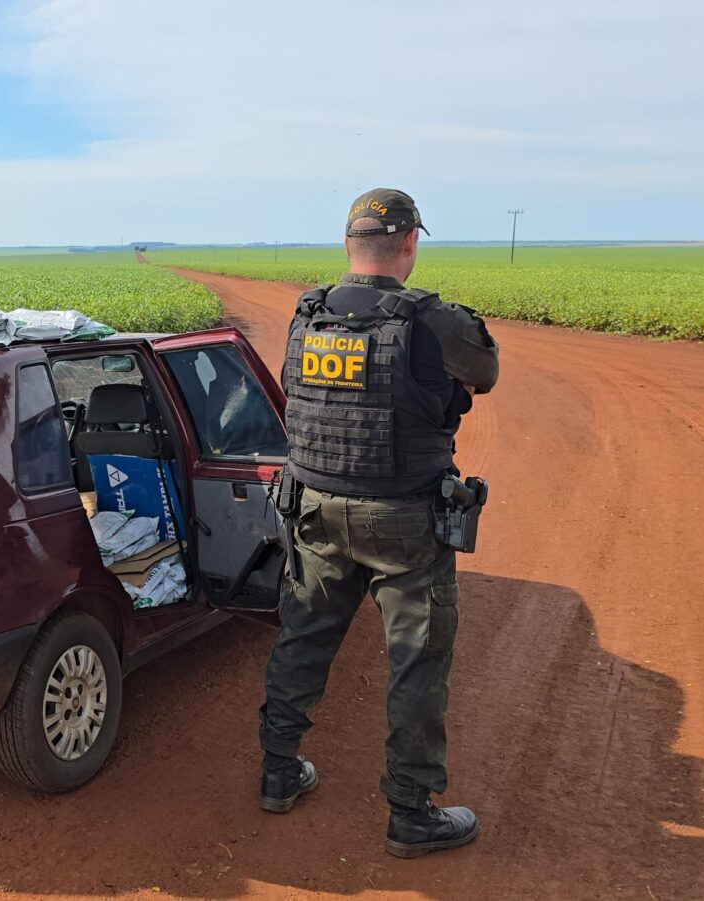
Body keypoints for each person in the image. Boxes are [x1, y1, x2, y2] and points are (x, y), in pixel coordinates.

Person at [258, 189, 499, 858]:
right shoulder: (431, 321)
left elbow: (292, 392)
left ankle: (279, 771)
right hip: (404, 518)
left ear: (347, 245)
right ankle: (411, 813)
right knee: (417, 659)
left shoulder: (308, 314)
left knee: (303, 635)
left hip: (314, 507)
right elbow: (486, 372)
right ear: (411, 245)